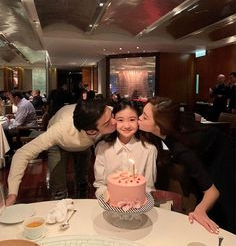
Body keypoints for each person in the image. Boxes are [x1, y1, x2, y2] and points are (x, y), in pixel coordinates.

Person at [138, 97, 235, 234]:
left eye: (145, 117)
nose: (139, 118)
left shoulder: (181, 148)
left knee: (225, 207)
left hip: (223, 156)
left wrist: (199, 211)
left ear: (160, 124)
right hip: (205, 147)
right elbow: (194, 116)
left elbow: (212, 192)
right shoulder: (170, 123)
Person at [6, 99, 116, 206]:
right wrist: (12, 194)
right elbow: (22, 154)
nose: (115, 122)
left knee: (82, 181)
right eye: (107, 123)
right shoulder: (59, 131)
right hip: (60, 142)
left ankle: (82, 205)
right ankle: (59, 209)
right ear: (92, 131)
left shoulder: (105, 113)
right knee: (58, 186)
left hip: (85, 142)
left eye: (112, 116)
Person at [94, 99, 157, 198]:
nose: (126, 126)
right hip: (110, 203)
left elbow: (148, 187)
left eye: (132, 120)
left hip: (137, 205)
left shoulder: (149, 149)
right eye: (120, 120)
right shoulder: (102, 148)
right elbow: (100, 184)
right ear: (114, 120)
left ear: (139, 120)